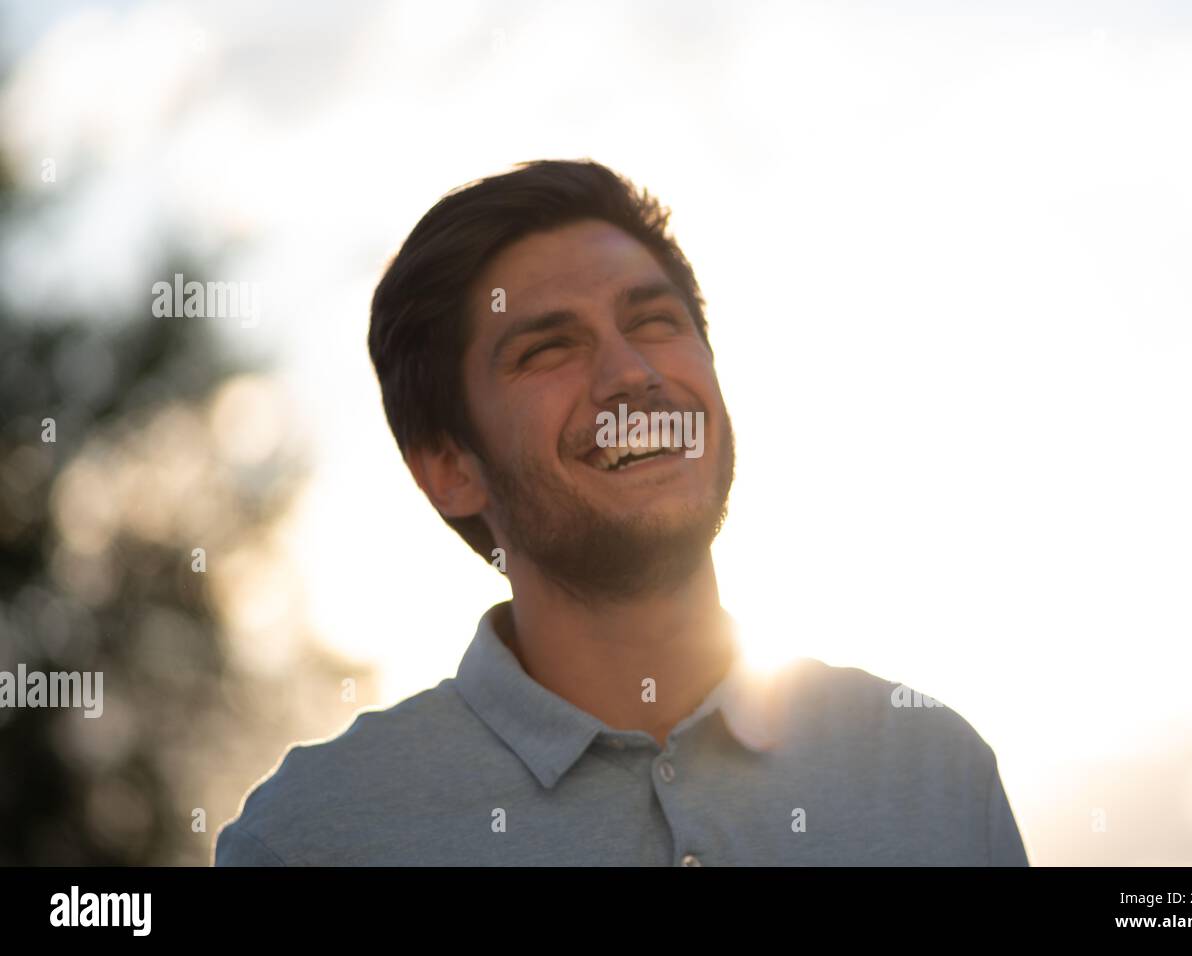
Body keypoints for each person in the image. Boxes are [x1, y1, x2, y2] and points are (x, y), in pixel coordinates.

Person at [213, 159, 1030, 866]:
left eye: (654, 322)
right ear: (450, 468)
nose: (632, 373)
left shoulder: (937, 777)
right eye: (547, 348)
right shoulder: (312, 840)